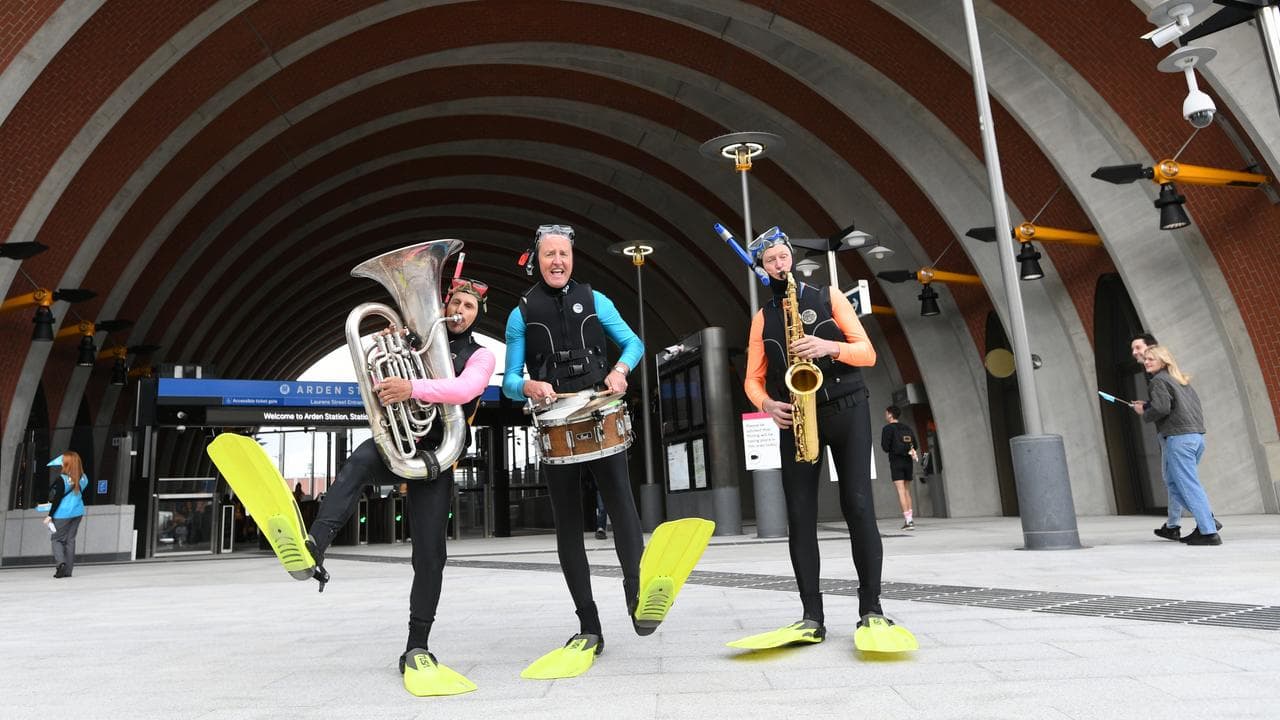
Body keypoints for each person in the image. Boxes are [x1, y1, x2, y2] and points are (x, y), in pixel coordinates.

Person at [307, 274, 495, 694]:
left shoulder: (480, 356)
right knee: (356, 463)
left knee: (430, 555)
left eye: (469, 307)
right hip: (399, 444)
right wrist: (389, 353)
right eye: (456, 304)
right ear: (444, 306)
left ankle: (416, 646)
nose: (460, 313)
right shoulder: (411, 342)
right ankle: (315, 544)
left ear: (478, 313)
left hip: (436, 456)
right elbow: (380, 387)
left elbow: (465, 388)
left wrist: (412, 385)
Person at [739, 227, 912, 652]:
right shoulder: (763, 318)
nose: (779, 265)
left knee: (858, 505)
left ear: (792, 259)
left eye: (783, 257)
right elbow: (752, 380)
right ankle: (811, 616)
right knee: (799, 515)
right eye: (770, 261)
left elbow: (866, 353)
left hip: (848, 409)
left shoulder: (829, 298)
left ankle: (870, 607)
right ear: (761, 268)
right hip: (797, 416)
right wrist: (766, 405)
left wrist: (827, 347)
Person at [502, 223, 647, 661]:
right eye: (549, 255)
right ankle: (588, 624)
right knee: (568, 525)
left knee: (622, 505)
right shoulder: (519, 313)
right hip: (555, 421)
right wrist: (527, 387)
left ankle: (637, 595)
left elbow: (633, 343)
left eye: (563, 254)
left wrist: (620, 370)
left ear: (572, 258)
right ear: (537, 260)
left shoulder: (596, 299)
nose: (557, 261)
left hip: (600, 410)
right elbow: (509, 381)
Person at [1133, 344, 1221, 545]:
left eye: (1151, 359)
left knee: (1188, 484)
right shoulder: (1180, 381)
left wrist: (1144, 413)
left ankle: (1209, 532)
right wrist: (1148, 405)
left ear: (1163, 361)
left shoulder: (1158, 381)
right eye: (1145, 359)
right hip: (1195, 437)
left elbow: (1162, 408)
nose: (1146, 362)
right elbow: (1177, 407)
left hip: (1179, 439)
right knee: (1174, 483)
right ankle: (1206, 522)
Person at [43, 452, 89, 578]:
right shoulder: (84, 477)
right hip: (78, 512)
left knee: (56, 539)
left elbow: (56, 499)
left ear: (67, 463)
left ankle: (61, 564)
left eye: (63, 461)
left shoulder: (62, 479)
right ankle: (68, 571)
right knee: (70, 540)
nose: (62, 462)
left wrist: (50, 515)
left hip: (62, 513)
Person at [880, 405, 918, 530]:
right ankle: (910, 519)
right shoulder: (907, 427)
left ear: (890, 415)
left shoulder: (887, 429)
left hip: (896, 461)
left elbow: (885, 447)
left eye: (886, 413)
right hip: (908, 461)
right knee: (907, 490)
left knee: (901, 491)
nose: (885, 415)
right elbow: (915, 445)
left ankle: (908, 521)